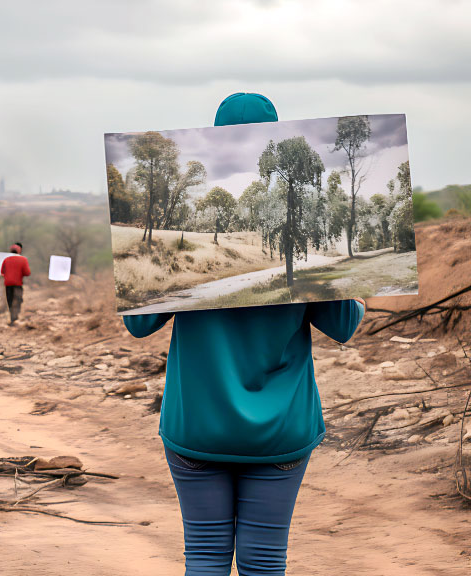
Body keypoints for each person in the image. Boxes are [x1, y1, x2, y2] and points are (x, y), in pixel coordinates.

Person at [125, 93, 367, 576]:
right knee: (264, 562)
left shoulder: (187, 216)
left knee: (205, 557)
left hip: (197, 426)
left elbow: (139, 323)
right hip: (280, 433)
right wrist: (353, 281)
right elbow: (343, 325)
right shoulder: (302, 224)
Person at [0, 243, 30, 324]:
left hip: (8, 284)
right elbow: (27, 273)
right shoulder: (23, 259)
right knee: (18, 299)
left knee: (10, 299)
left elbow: (2, 272)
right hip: (18, 283)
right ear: (19, 251)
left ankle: (12, 317)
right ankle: (15, 316)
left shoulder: (6, 260)